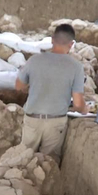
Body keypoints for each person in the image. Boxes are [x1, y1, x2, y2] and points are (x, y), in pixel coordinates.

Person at [14, 23, 88, 160]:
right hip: (55, 123)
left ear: (52, 39)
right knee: (48, 166)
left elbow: (18, 86)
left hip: (32, 119)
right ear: (71, 44)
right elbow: (78, 104)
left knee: (23, 161)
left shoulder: (34, 60)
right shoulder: (76, 67)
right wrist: (85, 109)